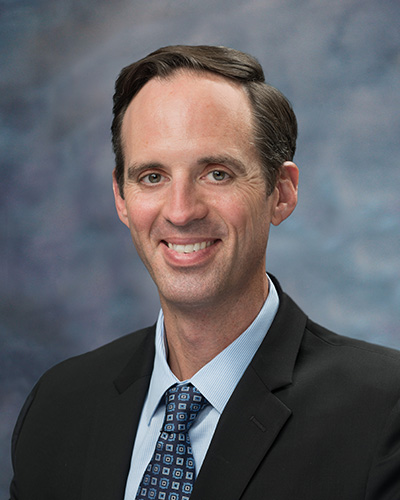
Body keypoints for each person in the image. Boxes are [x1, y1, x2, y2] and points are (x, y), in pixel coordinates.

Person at [10, 45, 400, 500]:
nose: (180, 212)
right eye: (152, 177)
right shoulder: (58, 406)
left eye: (216, 174)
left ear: (282, 193)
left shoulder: (385, 413)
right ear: (121, 197)